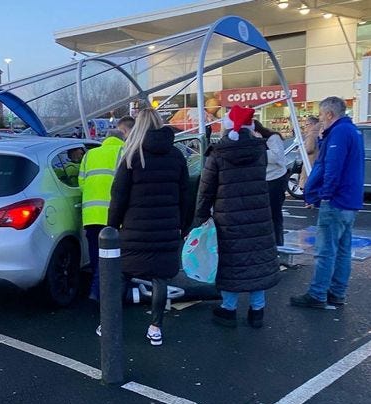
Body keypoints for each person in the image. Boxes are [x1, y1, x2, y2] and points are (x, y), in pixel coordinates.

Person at [108, 108, 189, 346]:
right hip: (166, 229)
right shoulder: (176, 155)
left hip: (135, 229)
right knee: (160, 278)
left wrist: (111, 227)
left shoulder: (132, 156)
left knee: (122, 275)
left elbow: (119, 196)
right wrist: (183, 225)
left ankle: (110, 322)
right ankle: (155, 328)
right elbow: (186, 194)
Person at [195, 105, 279, 329]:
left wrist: (200, 217)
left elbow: (206, 190)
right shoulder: (259, 150)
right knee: (256, 260)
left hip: (228, 218)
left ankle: (228, 309)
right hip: (258, 216)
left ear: (227, 126)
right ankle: (257, 311)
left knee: (231, 263)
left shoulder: (218, 153)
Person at [290, 97, 365, 309]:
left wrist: (324, 194)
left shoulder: (339, 134)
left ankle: (317, 293)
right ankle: (337, 293)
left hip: (336, 200)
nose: (320, 120)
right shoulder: (351, 131)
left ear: (330, 114)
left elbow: (332, 167)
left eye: (322, 115)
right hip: (350, 201)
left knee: (325, 251)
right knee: (342, 250)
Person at [78, 129, 125, 306]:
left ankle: (96, 290)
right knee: (112, 259)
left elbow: (81, 184)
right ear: (122, 139)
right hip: (113, 215)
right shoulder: (123, 152)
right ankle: (100, 294)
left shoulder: (90, 154)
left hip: (90, 215)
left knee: (96, 257)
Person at [254, 120, 288, 246]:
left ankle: (278, 243)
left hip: (276, 178)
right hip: (263, 178)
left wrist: (258, 146)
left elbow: (276, 157)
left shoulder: (273, 138)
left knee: (274, 212)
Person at [299, 115, 322, 189]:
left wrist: (301, 149)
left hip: (310, 162)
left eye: (307, 125)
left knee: (307, 186)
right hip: (318, 162)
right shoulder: (321, 132)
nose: (305, 127)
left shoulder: (311, 135)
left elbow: (309, 149)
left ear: (312, 124)